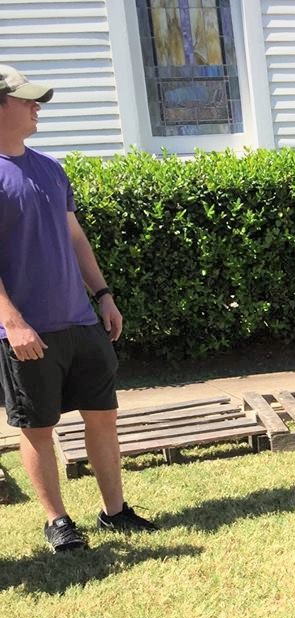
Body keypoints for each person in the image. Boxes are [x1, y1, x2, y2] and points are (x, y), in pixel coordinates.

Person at [0, 65, 156, 552]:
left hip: (80, 321)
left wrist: (103, 295)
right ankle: (57, 521)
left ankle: (115, 511)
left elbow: (75, 238)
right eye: (26, 99)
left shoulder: (49, 168)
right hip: (27, 331)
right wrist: (13, 321)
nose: (36, 106)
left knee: (103, 416)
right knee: (38, 426)